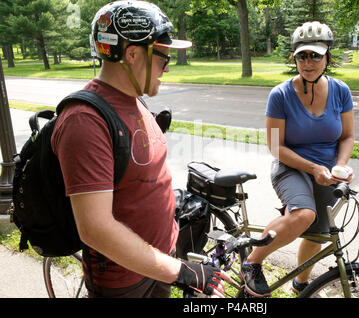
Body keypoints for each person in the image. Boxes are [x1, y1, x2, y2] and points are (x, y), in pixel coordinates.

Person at [51, 1, 230, 298]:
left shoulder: (133, 98)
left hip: (156, 261)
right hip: (126, 281)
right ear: (132, 54)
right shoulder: (85, 120)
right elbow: (95, 228)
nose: (168, 67)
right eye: (163, 58)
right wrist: (182, 273)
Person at [240, 21, 355, 297]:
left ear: (328, 56)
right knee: (304, 213)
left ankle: (301, 285)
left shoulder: (341, 91)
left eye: (316, 54)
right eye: (302, 55)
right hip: (290, 166)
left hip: (326, 170)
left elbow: (347, 136)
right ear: (294, 57)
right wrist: (313, 168)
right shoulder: (280, 95)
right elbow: (275, 147)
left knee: (317, 232)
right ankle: (252, 262)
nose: (308, 62)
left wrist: (341, 164)